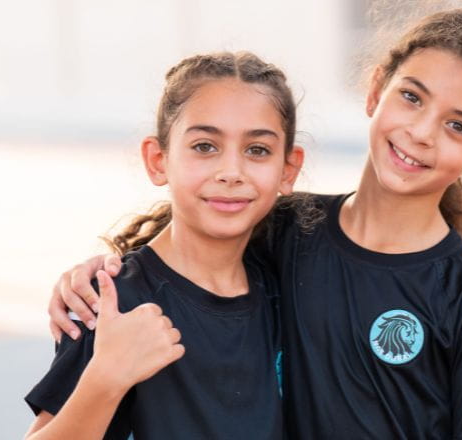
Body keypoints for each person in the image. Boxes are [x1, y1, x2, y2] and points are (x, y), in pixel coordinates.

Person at [49, 9, 462, 439]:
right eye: (411, 97)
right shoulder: (284, 230)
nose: (422, 132)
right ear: (375, 90)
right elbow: (190, 243)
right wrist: (93, 276)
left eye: (458, 126)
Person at [24, 51, 304, 439]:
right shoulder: (114, 303)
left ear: (288, 170)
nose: (231, 172)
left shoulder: (285, 280)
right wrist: (107, 377)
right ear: (158, 160)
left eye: (257, 150)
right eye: (205, 146)